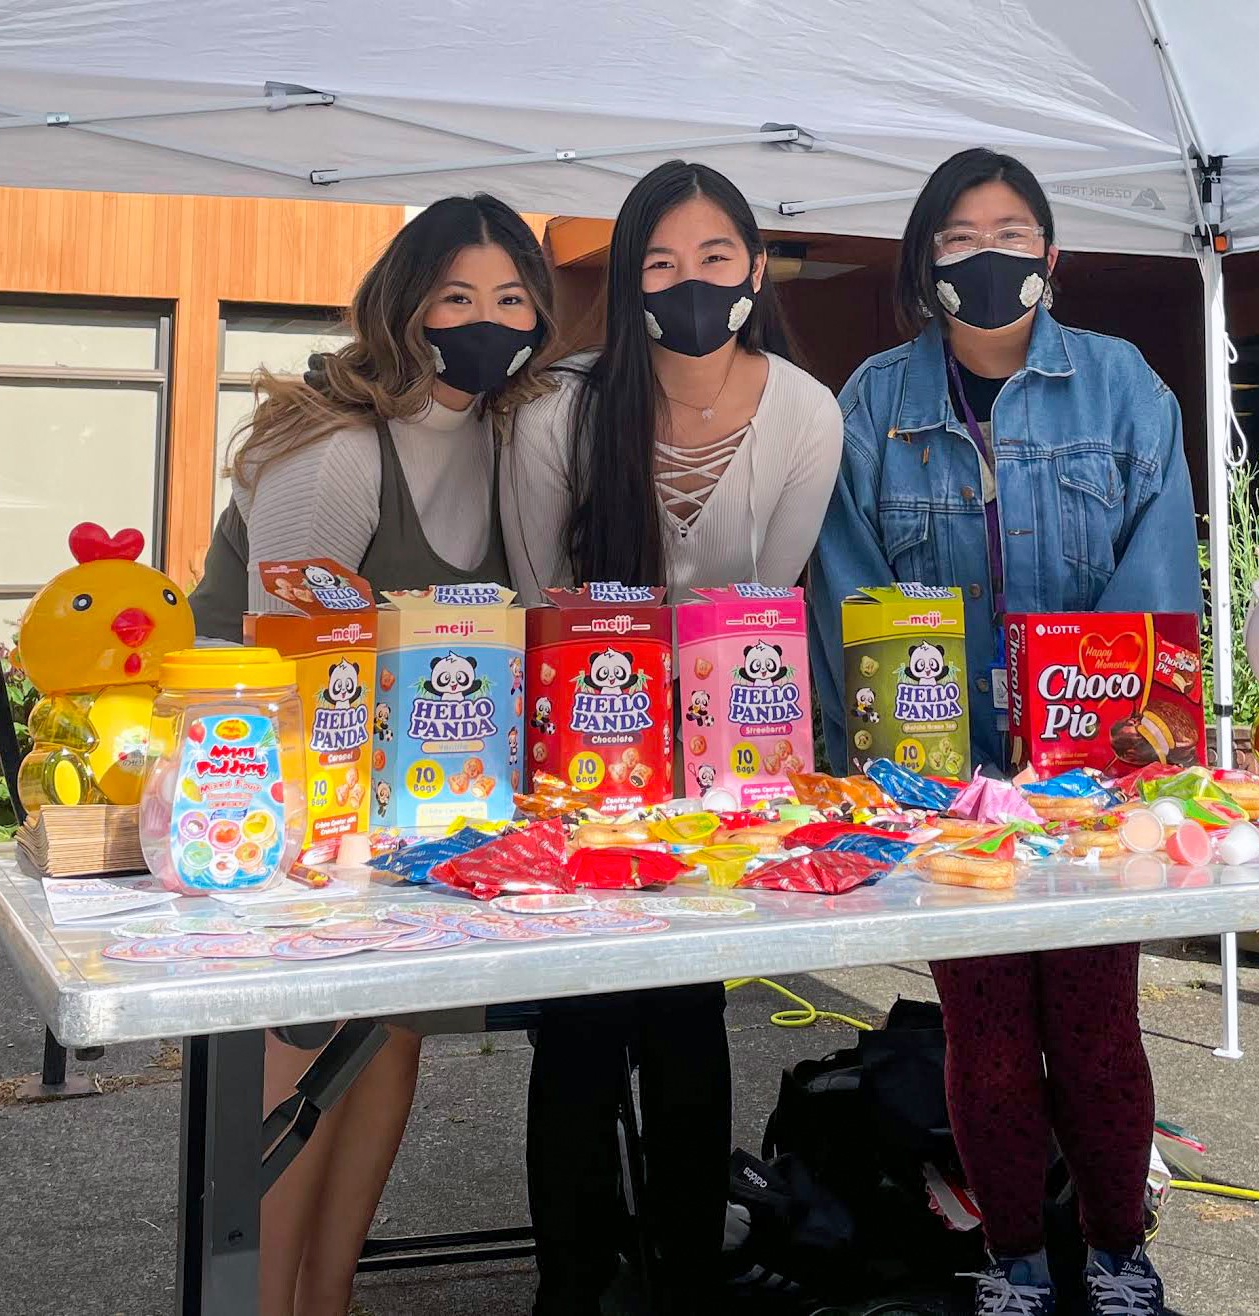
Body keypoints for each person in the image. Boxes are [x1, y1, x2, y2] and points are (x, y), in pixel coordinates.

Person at [808, 149, 1200, 1316]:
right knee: (980, 1028)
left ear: (1051, 256)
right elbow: (848, 582)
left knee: (1092, 1018)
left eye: (1010, 231)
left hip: (1088, 775)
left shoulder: (1125, 384)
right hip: (945, 784)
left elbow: (1158, 568)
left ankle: (1117, 1246)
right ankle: (1015, 1261)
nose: (988, 256)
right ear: (924, 262)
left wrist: (1106, 732)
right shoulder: (872, 401)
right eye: (958, 237)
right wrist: (901, 763)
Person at [190, 193, 556, 1316]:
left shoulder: (508, 439)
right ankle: (266, 1301)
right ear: (402, 306)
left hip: (405, 806)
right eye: (456, 297)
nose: (484, 322)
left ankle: (330, 1294)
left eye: (510, 299)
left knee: (389, 1031)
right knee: (300, 1041)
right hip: (275, 786)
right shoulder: (340, 448)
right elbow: (278, 675)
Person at [502, 158, 841, 1315]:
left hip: (724, 767)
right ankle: (569, 1275)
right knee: (584, 1021)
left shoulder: (804, 409)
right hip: (585, 756)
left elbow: (769, 592)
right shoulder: (561, 407)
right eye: (658, 262)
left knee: (691, 1012)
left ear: (753, 266)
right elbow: (541, 590)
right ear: (628, 279)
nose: (687, 282)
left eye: (711, 258)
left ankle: (689, 1270)